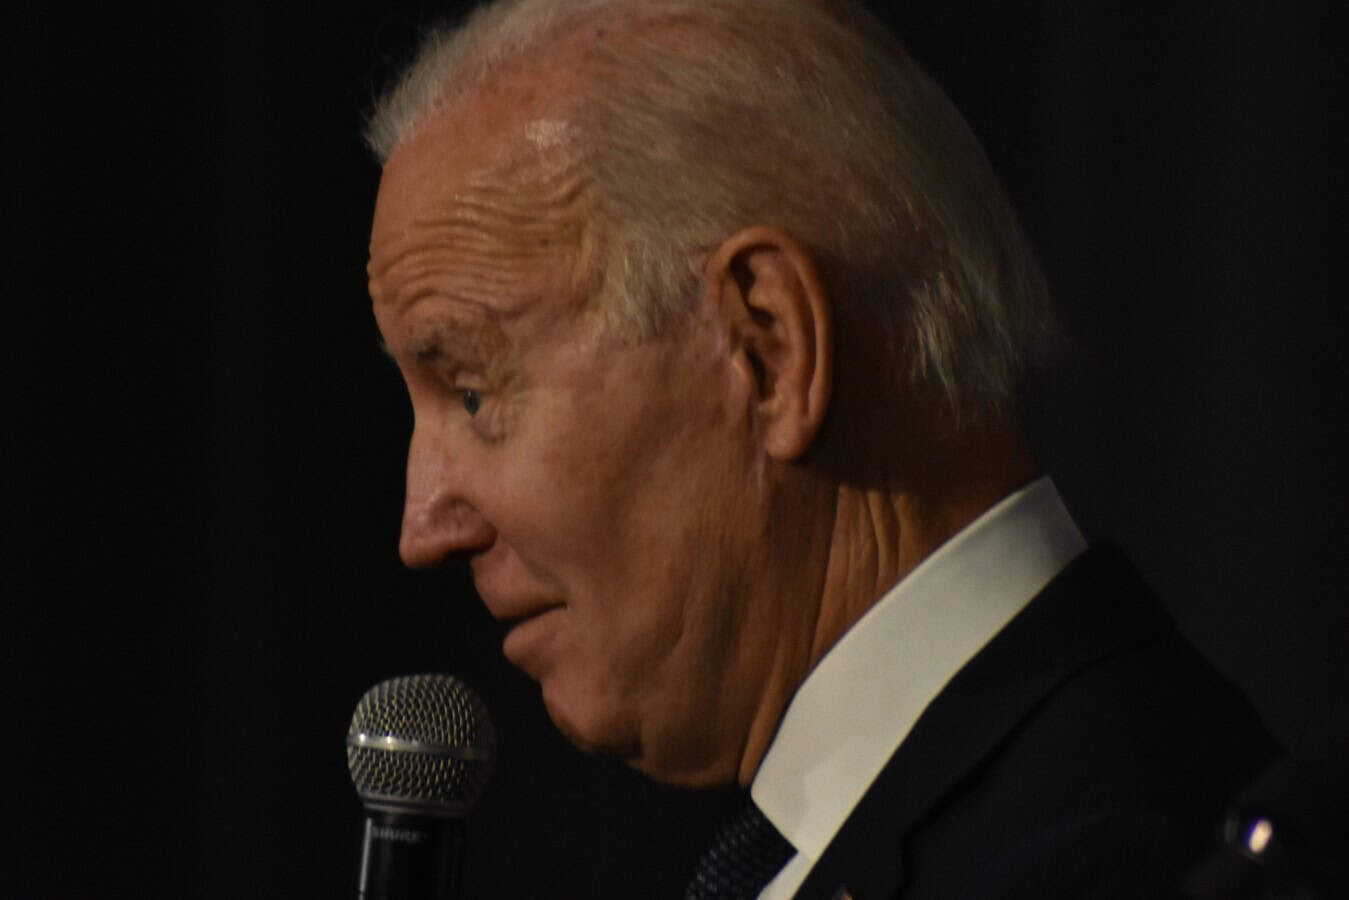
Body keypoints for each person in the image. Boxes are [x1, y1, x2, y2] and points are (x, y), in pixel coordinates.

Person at [363, 0, 1275, 896]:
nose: (423, 528)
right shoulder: (930, 821)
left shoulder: (1108, 861)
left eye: (474, 391)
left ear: (768, 348)